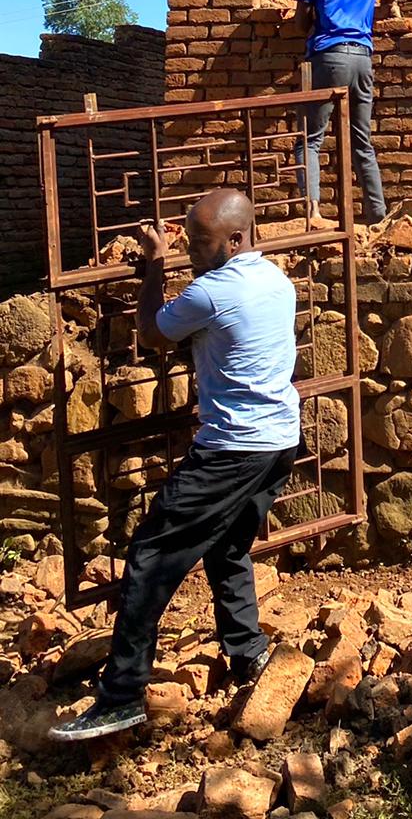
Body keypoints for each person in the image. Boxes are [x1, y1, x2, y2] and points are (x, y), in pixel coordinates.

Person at [50, 190, 300, 742]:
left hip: (232, 449)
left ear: (236, 240)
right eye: (187, 241)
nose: (191, 251)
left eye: (200, 242)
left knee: (150, 556)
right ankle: (249, 652)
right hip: (279, 440)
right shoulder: (276, 279)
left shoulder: (213, 291)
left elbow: (151, 332)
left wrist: (155, 264)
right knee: (228, 546)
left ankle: (121, 697)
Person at [295, 0, 412, 227]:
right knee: (361, 139)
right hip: (363, 57)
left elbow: (300, 24)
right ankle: (377, 216)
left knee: (310, 139)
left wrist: (313, 12)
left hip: (328, 56)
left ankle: (314, 214)